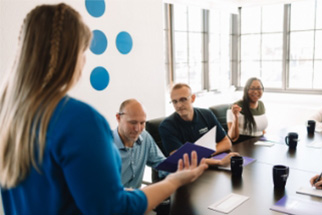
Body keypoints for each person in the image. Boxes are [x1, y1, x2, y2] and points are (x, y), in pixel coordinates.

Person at [0, 4, 207, 214]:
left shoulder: (8, 116)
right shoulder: (79, 120)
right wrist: (173, 182)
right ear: (71, 56)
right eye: (83, 51)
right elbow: (114, 209)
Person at [159, 83, 238, 166]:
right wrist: (219, 162)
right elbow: (181, 159)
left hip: (206, 166)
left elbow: (226, 142)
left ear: (193, 98)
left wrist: (207, 154)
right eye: (174, 102)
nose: (178, 105)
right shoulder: (166, 126)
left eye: (183, 99)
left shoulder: (206, 114)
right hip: (183, 172)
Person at [113, 99, 167, 189]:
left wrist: (181, 169)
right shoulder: (105, 146)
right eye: (133, 123)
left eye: (142, 123)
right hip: (113, 200)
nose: (138, 129)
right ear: (118, 118)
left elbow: (161, 164)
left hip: (136, 200)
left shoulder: (144, 137)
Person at [227, 77, 268, 143]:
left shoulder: (261, 104)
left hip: (259, 143)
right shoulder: (236, 106)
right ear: (246, 90)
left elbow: (261, 130)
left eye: (258, 88)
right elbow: (232, 137)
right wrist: (235, 117)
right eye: (252, 88)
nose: (255, 91)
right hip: (243, 145)